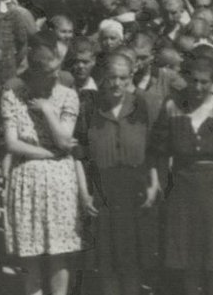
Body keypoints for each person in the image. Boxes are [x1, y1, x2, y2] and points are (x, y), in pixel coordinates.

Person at [73, 52, 160, 295]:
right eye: (112, 77)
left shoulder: (141, 105)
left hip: (135, 191)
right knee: (107, 265)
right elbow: (79, 154)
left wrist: (153, 185)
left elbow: (153, 150)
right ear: (103, 77)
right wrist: (83, 192)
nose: (117, 84)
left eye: (123, 77)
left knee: (132, 264)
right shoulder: (90, 107)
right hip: (102, 191)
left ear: (131, 76)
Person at [155, 55, 213, 295]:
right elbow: (160, 151)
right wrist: (162, 185)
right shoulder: (172, 106)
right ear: (185, 79)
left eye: (204, 82)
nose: (198, 87)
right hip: (183, 190)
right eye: (193, 81)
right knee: (188, 260)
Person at [0, 44, 81, 295]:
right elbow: (12, 143)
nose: (56, 75)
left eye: (58, 68)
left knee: (59, 254)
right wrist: (48, 154)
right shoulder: (12, 93)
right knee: (30, 255)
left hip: (60, 184)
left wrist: (47, 110)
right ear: (34, 70)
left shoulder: (68, 95)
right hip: (26, 178)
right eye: (48, 70)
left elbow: (65, 141)